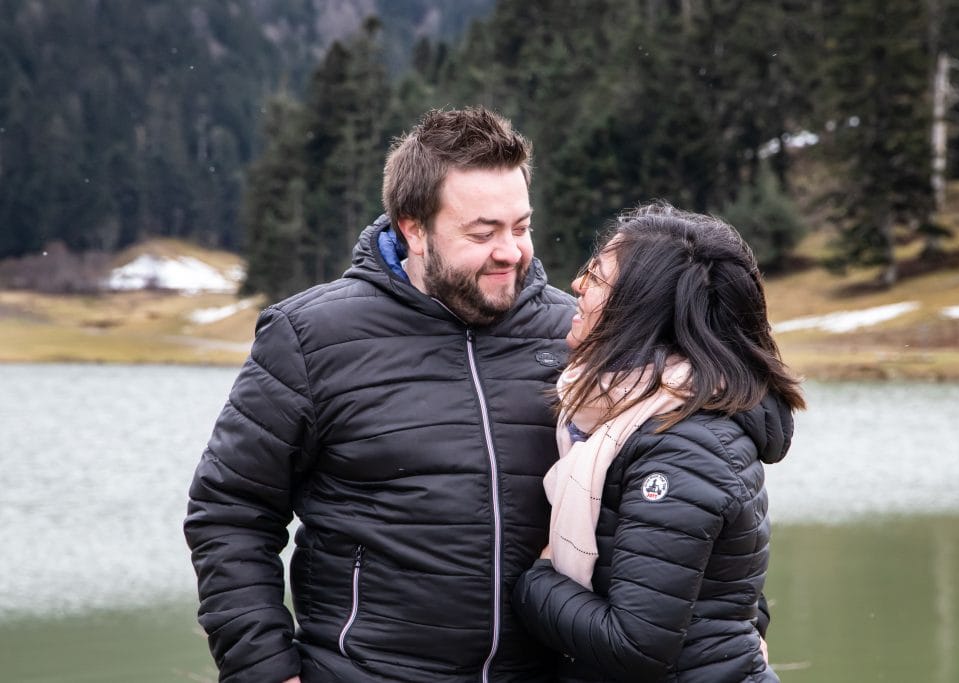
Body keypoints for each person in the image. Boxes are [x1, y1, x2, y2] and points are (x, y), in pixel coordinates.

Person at [183, 107, 576, 683]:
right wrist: (264, 668)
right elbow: (230, 511)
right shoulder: (310, 336)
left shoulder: (576, 334)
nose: (510, 251)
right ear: (413, 229)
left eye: (521, 227)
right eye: (482, 232)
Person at [512, 202, 805, 682]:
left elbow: (635, 645)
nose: (577, 285)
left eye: (597, 277)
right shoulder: (635, 417)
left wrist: (534, 584)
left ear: (639, 308)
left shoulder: (681, 445)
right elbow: (727, 592)